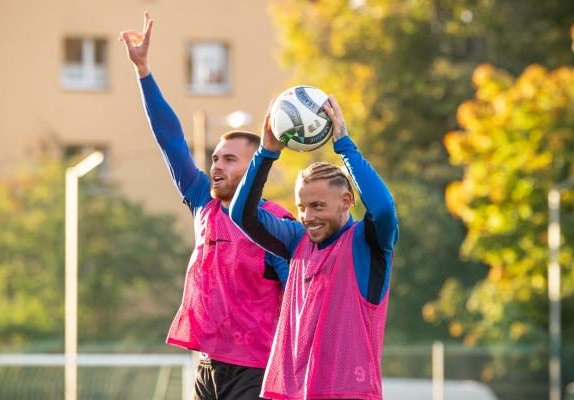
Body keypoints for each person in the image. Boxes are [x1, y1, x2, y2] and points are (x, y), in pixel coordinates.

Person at [119, 12, 294, 400]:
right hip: (205, 366)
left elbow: (298, 294)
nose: (216, 165)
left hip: (257, 367)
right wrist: (143, 70)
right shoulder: (203, 202)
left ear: (256, 166)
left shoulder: (277, 223)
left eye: (230, 159)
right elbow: (170, 139)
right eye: (216, 158)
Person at [229, 95, 399, 400]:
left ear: (346, 201)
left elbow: (384, 209)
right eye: (301, 207)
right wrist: (267, 152)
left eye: (318, 206)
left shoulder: (366, 244)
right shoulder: (297, 242)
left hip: (349, 393)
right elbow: (242, 214)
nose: (307, 217)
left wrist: (344, 144)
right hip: (291, 392)